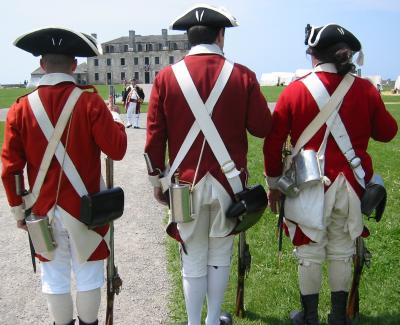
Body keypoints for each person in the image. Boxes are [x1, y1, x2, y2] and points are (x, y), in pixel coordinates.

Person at [144, 4, 272, 325]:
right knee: (220, 256)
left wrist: (157, 183)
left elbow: (153, 139)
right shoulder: (242, 76)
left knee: (192, 258)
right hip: (230, 186)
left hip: (185, 185)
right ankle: (213, 320)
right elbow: (262, 127)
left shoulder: (165, 78)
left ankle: (193, 321)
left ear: (189, 39)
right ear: (221, 36)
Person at [264, 23, 398, 324]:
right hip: (351, 186)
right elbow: (388, 133)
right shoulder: (364, 89)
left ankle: (309, 317)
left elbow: (272, 144)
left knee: (309, 251)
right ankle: (339, 316)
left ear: (314, 55)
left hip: (308, 184)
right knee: (341, 249)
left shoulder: (295, 90)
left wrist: (274, 184)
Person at [1, 27, 127, 325]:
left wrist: (20, 211)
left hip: (42, 209)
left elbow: (9, 169)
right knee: (89, 274)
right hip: (87, 209)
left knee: (54, 277)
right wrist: (116, 119)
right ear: (74, 65)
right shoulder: (90, 101)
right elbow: (117, 149)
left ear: (42, 64)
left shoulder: (20, 108)